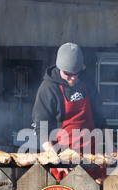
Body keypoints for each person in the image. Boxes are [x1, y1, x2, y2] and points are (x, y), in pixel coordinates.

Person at [32, 42, 113, 181]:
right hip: (63, 159)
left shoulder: (86, 81)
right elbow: (41, 127)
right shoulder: (48, 88)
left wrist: (112, 146)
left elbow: (100, 117)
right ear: (60, 67)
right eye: (68, 74)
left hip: (92, 156)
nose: (73, 78)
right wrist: (55, 159)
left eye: (76, 74)